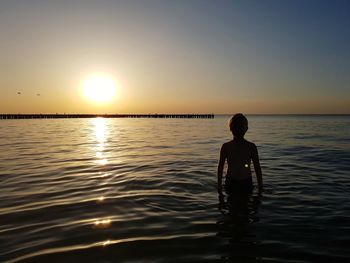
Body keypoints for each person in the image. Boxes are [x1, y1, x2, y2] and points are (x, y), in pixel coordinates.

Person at [217, 113, 263, 197]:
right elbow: (257, 168)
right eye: (237, 127)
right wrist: (260, 187)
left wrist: (219, 186)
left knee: (233, 208)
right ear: (246, 129)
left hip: (240, 182)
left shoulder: (250, 147)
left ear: (230, 128)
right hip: (237, 182)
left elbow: (220, 168)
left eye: (240, 127)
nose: (238, 129)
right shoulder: (227, 147)